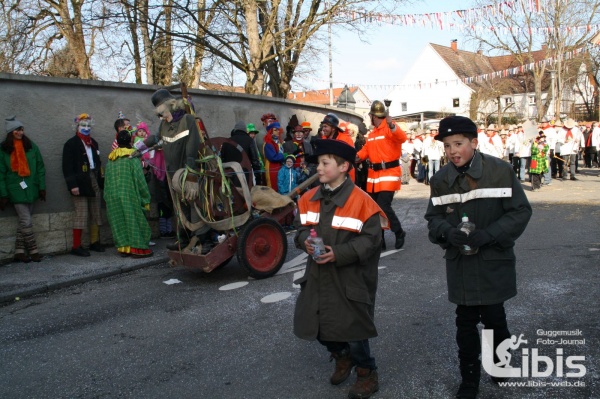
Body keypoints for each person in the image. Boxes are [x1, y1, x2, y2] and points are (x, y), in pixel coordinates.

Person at [424, 116, 532, 399]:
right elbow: (433, 220)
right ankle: (469, 380)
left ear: (474, 142)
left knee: (496, 318)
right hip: (460, 264)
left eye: (458, 144)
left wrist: (491, 234)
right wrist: (448, 232)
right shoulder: (440, 180)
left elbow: (520, 211)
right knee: (465, 322)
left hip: (492, 261)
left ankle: (499, 366)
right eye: (447, 146)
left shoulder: (500, 171)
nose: (452, 151)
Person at [293, 139, 388, 399]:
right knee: (317, 323)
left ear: (344, 166)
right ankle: (341, 356)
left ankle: (367, 373)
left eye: (325, 163)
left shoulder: (362, 201)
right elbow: (300, 231)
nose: (319, 169)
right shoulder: (308, 199)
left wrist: (340, 253)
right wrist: (306, 243)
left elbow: (371, 241)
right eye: (318, 164)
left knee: (354, 329)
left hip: (350, 278)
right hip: (318, 276)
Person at [356, 100, 407, 249]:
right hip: (374, 177)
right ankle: (380, 239)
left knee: (384, 206)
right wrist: (352, 157)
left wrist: (392, 125)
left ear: (373, 116)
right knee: (374, 208)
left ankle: (399, 232)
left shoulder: (389, 129)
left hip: (389, 174)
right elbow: (364, 152)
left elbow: (402, 137)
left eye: (370, 115)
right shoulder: (372, 135)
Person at [0, 116, 46, 262]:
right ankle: (33, 251)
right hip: (15, 189)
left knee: (23, 221)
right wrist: (3, 194)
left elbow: (40, 167)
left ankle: (19, 251)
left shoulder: (31, 146)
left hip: (31, 187)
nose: (20, 132)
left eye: (21, 129)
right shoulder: (4, 150)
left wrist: (42, 187)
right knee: (26, 220)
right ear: (10, 132)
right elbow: (0, 173)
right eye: (16, 130)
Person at [104, 130, 153, 257]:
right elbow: (139, 178)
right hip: (128, 195)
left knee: (119, 222)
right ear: (130, 141)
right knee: (134, 221)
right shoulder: (132, 157)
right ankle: (138, 248)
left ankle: (124, 248)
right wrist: (145, 197)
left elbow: (107, 179)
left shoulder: (111, 159)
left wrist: (107, 196)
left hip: (113, 196)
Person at [62, 113, 105, 257]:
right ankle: (76, 246)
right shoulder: (71, 144)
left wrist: (100, 180)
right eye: (83, 125)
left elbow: (98, 163)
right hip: (79, 181)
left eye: (88, 126)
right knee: (81, 213)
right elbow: (67, 167)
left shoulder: (93, 142)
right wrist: (72, 185)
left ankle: (94, 242)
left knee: (95, 211)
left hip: (93, 178)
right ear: (77, 126)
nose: (86, 128)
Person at [262, 121, 285, 190]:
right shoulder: (268, 144)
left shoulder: (279, 142)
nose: (278, 131)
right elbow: (273, 157)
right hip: (272, 168)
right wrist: (284, 156)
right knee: (273, 186)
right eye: (275, 130)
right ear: (271, 131)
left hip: (279, 167)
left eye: (278, 130)